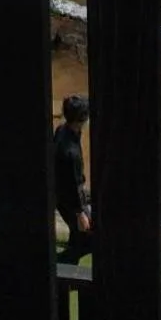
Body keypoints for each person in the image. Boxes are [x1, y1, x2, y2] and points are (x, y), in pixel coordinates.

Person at [54, 93, 91, 264]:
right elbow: (74, 184)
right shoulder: (71, 153)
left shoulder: (62, 130)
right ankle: (58, 265)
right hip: (69, 200)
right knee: (85, 241)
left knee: (78, 240)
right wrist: (80, 213)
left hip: (62, 196)